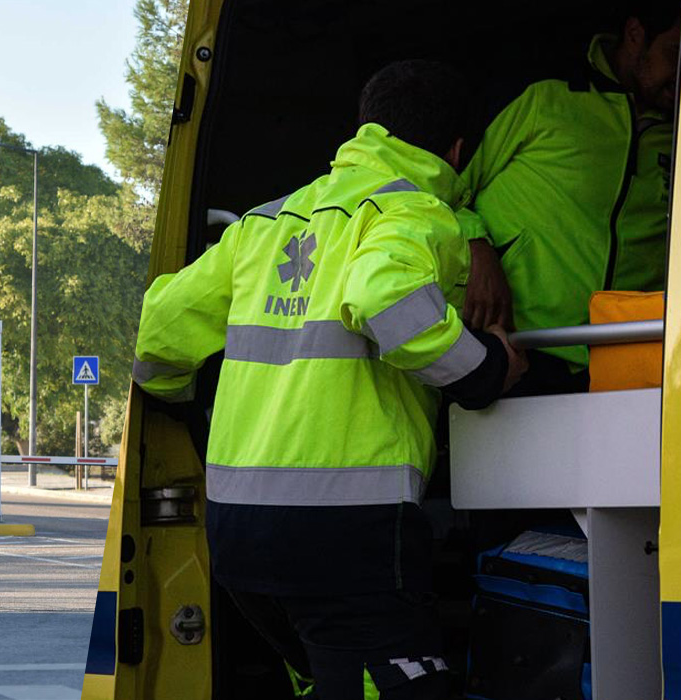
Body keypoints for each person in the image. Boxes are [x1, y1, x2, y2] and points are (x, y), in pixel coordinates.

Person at [132, 60, 525, 700]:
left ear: (365, 131)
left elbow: (160, 326)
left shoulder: (262, 224)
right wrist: (485, 370)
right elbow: (383, 298)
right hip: (348, 539)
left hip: (239, 539)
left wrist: (177, 398)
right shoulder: (416, 214)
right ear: (455, 151)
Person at [460, 0, 681, 395]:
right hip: (523, 350)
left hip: (637, 356)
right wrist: (477, 246)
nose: (680, 73)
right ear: (635, 34)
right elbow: (445, 186)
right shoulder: (547, 97)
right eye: (673, 53)